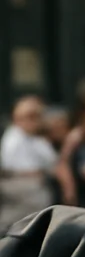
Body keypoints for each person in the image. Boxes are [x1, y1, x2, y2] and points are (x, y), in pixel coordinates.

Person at [0, 95, 58, 227]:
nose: (35, 121)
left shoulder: (36, 138)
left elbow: (53, 162)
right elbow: (15, 170)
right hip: (20, 187)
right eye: (30, 117)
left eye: (37, 116)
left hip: (41, 185)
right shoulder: (13, 138)